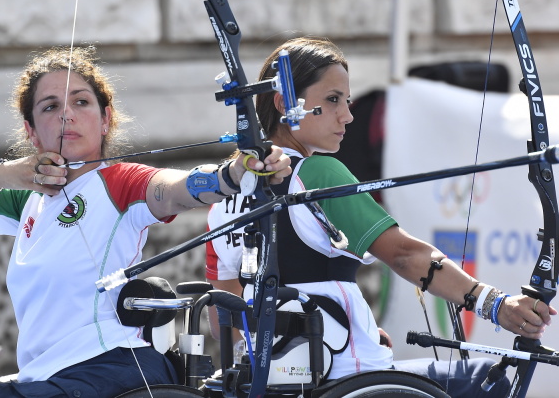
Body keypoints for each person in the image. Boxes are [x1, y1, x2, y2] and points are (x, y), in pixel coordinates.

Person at [0, 45, 291, 398]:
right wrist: (4, 174)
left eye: (81, 101)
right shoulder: (26, 199)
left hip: (113, 368)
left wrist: (232, 174)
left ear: (105, 118)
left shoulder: (121, 183)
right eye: (50, 107)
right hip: (47, 379)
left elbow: (177, 188)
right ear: (31, 130)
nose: (67, 113)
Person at [205, 37, 557, 397]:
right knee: (488, 378)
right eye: (332, 100)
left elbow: (225, 322)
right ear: (284, 103)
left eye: (347, 101)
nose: (348, 115)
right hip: (351, 377)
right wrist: (495, 304)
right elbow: (404, 255)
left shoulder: (223, 198)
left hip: (277, 384)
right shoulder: (318, 173)